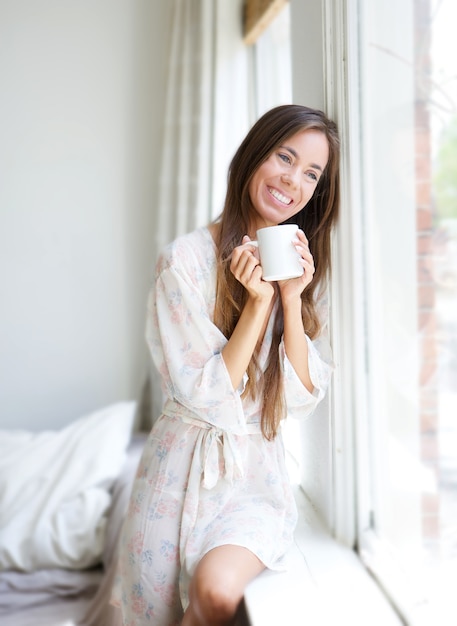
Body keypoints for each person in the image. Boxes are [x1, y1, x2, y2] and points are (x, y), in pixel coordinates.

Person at [111, 104, 340, 626]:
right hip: (177, 471)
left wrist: (287, 300)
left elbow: (303, 395)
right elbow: (205, 396)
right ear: (253, 156)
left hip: (254, 478)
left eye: (311, 174)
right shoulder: (184, 261)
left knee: (215, 593)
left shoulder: (302, 268)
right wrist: (254, 305)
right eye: (285, 156)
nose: (293, 180)